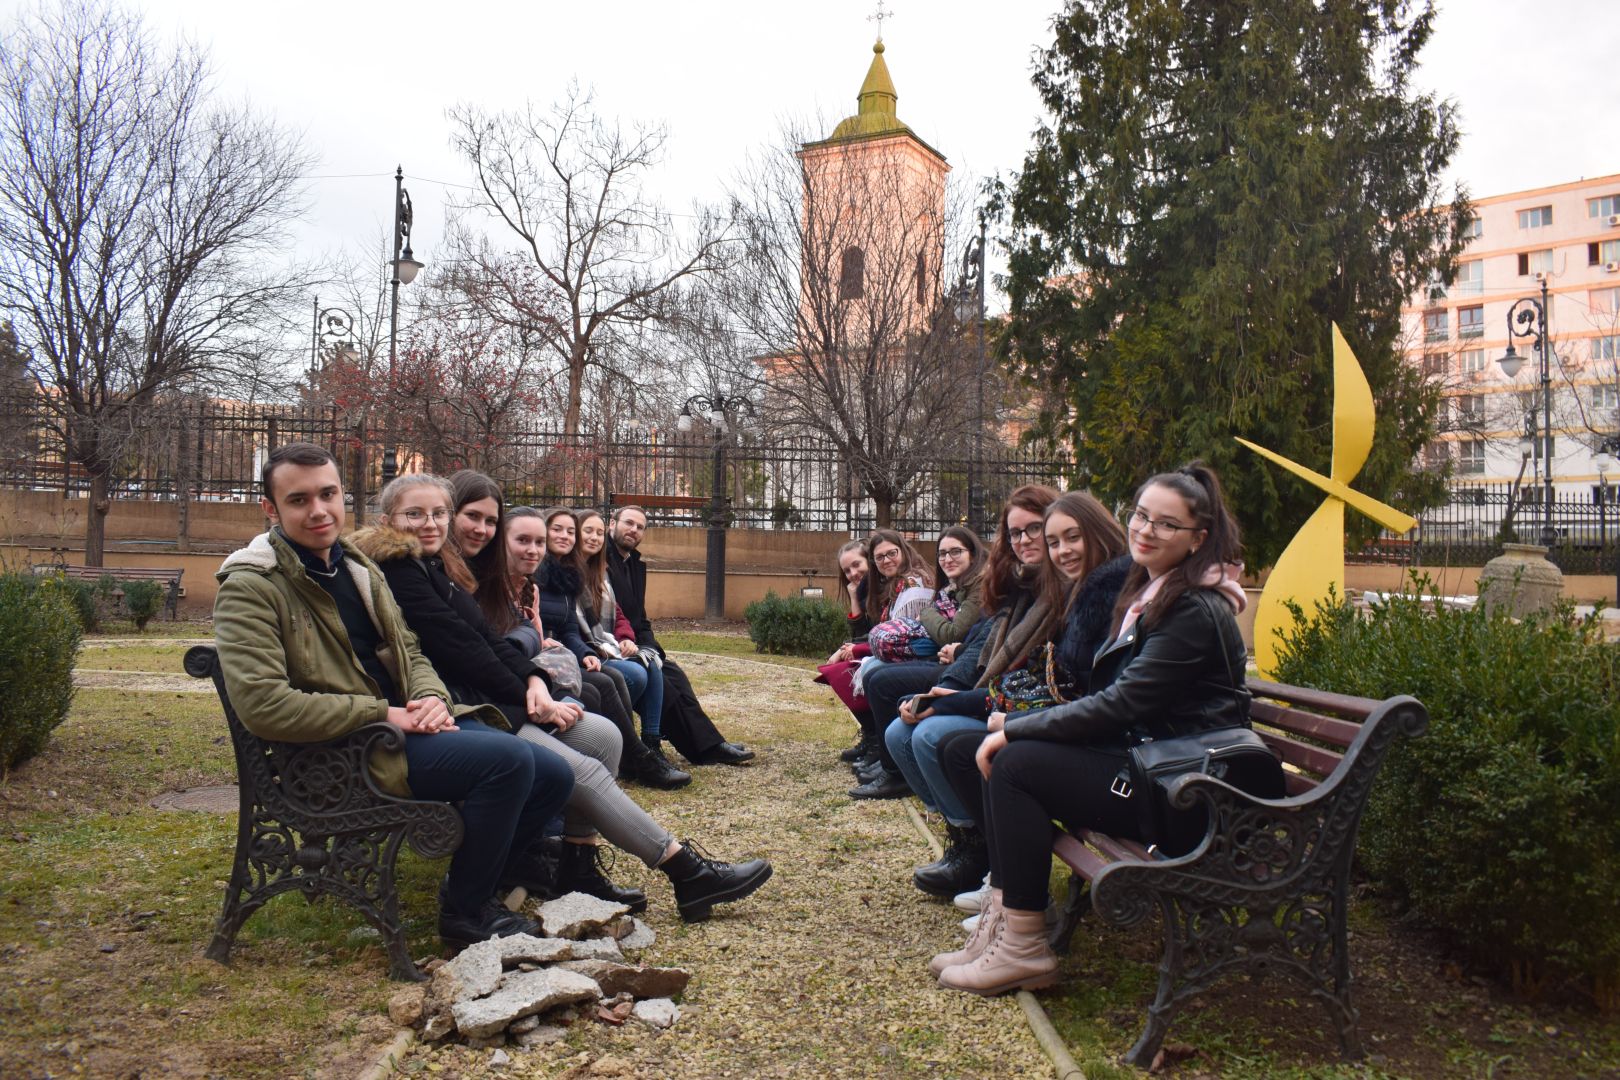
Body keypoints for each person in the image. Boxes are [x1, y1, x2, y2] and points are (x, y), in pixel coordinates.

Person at [361, 473, 772, 922]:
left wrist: (536, 680)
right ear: (388, 520)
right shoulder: (404, 573)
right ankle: (684, 869)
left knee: (603, 737)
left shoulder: (438, 568)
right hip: (464, 707)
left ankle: (578, 867)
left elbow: (483, 638)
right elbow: (463, 651)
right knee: (580, 765)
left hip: (486, 695)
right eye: (417, 514)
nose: (433, 523)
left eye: (438, 513)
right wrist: (532, 691)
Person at [212, 443, 575, 950]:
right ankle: (466, 915)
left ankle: (476, 883)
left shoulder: (356, 564)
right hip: (343, 751)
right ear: (270, 509)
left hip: (401, 726)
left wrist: (430, 699)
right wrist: (387, 713)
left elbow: (410, 651)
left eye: (328, 494)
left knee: (555, 773)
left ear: (342, 495)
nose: (318, 510)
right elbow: (265, 705)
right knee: (510, 761)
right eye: (298, 500)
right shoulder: (252, 584)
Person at [930, 464, 1250, 996]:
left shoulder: (1193, 608)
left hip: (1190, 793)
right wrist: (1019, 727)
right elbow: (1116, 702)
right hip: (1158, 768)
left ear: (1199, 539)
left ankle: (1023, 947)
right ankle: (1007, 929)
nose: (1147, 531)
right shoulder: (1156, 595)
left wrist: (1015, 727)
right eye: (1142, 516)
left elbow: (1121, 702)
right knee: (1002, 758)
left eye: (1167, 525)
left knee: (1013, 766)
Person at [894, 492, 1128, 897]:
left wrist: (980, 709)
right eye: (1015, 532)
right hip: (1028, 705)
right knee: (904, 729)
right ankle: (974, 847)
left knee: (955, 742)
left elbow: (1064, 689)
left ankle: (1000, 872)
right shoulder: (1021, 585)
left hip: (1102, 746)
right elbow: (986, 656)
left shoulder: (1084, 596)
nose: (1027, 541)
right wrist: (950, 689)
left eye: (1038, 530)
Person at [446, 473, 689, 790]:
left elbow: (587, 623)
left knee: (655, 670)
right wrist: (568, 650)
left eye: (570, 532)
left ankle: (648, 747)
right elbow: (500, 639)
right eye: (556, 531)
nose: (537, 548)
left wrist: (590, 650)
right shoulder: (514, 578)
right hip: (524, 671)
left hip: (558, 657)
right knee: (605, 683)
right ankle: (634, 759)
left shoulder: (568, 577)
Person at [605, 505, 755, 766]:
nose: (633, 530)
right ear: (612, 524)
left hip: (636, 642)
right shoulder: (601, 561)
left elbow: (640, 617)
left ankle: (711, 742)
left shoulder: (635, 565)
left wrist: (651, 646)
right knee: (665, 685)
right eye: (628, 523)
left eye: (640, 527)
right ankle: (704, 749)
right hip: (613, 644)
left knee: (676, 676)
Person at [848, 526, 987, 799]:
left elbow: (951, 632)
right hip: (948, 657)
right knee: (871, 672)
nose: (948, 559)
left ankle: (893, 770)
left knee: (879, 678)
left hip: (959, 666)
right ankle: (880, 751)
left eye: (956, 552)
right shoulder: (951, 586)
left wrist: (928, 615)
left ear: (973, 554)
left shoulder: (976, 585)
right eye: (943, 554)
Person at [818, 528, 933, 797]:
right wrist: (854, 599)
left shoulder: (908, 585)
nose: (854, 573)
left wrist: (856, 648)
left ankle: (883, 757)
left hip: (911, 653)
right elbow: (868, 631)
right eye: (847, 570)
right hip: (891, 649)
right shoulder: (885, 585)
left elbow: (898, 633)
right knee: (838, 671)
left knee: (866, 674)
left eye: (857, 564)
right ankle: (875, 744)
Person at [573, 509, 670, 766]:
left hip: (607, 643)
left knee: (653, 664)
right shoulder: (567, 571)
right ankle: (627, 749)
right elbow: (568, 623)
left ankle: (652, 743)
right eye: (587, 531)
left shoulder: (600, 572)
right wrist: (591, 650)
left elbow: (618, 613)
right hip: (587, 649)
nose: (594, 538)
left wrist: (626, 637)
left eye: (597, 532)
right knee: (637, 674)